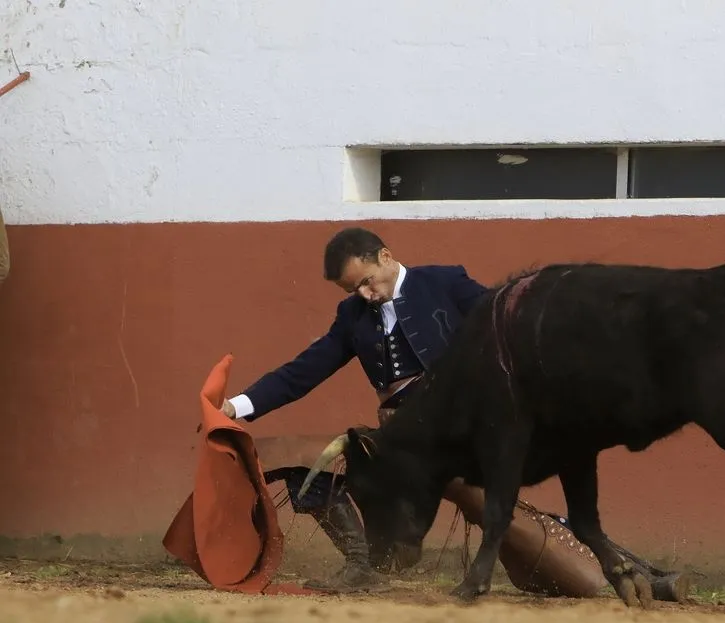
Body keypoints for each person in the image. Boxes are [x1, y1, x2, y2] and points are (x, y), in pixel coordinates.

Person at [221, 227, 689, 601]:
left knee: (505, 515)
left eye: (366, 281)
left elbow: (508, 323)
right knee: (310, 465)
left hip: (461, 434)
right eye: (353, 289)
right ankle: (366, 566)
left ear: (385, 257)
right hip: (401, 437)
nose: (364, 294)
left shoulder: (443, 283)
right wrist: (238, 406)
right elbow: (305, 370)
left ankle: (647, 579)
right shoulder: (353, 316)